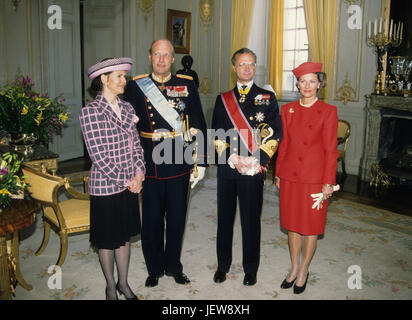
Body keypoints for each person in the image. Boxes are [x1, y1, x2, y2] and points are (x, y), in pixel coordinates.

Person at [123, 39, 208, 288]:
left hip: (179, 160)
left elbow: (199, 123)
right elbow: (128, 129)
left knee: (177, 219)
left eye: (166, 55)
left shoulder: (186, 84)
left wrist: (200, 162)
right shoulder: (136, 86)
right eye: (157, 54)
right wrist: (130, 165)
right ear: (150, 57)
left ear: (173, 59)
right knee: (150, 220)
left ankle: (174, 266)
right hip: (147, 161)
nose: (161, 59)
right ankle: (154, 268)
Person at [211, 48, 282, 286]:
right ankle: (223, 265)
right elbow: (217, 134)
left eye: (251, 64)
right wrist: (231, 158)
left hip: (253, 169)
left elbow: (275, 134)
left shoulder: (267, 97)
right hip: (229, 169)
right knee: (225, 219)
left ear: (255, 66)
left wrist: (257, 160)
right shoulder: (223, 99)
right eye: (242, 64)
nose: (247, 68)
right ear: (234, 68)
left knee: (251, 220)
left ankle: (251, 269)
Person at [79, 57, 145, 300]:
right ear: (104, 80)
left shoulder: (128, 108)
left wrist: (139, 173)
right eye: (119, 76)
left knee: (125, 235)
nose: (124, 80)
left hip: (130, 183)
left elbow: (137, 146)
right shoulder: (90, 112)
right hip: (106, 186)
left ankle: (123, 283)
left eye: (124, 76)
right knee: (108, 239)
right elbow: (99, 156)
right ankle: (109, 285)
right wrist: (126, 180)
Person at [275, 62, 339, 294]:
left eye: (312, 81)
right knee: (292, 225)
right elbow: (284, 145)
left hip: (314, 178)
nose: (307, 86)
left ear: (319, 84)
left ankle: (304, 270)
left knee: (310, 227)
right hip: (290, 176)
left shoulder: (328, 111)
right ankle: (293, 268)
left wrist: (328, 182)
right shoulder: (288, 110)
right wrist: (278, 173)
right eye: (303, 81)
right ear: (298, 84)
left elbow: (331, 150)